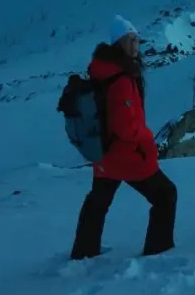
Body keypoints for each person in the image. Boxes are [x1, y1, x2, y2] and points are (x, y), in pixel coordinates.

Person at [69, 16, 178, 261]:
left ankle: (84, 253)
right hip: (127, 155)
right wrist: (146, 137)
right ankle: (158, 251)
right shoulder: (121, 79)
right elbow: (126, 127)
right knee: (165, 195)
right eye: (133, 39)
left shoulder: (102, 71)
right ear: (122, 41)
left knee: (98, 202)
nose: (138, 43)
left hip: (103, 153)